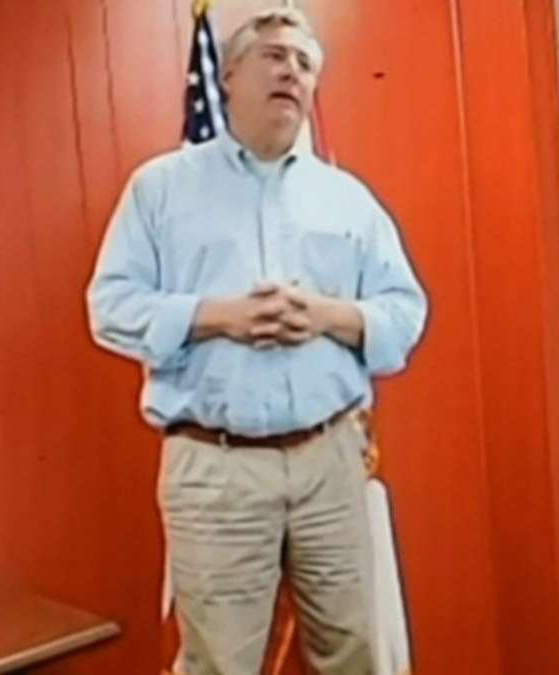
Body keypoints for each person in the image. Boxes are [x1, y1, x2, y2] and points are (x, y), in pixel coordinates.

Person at [86, 7, 427, 674]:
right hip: (217, 468)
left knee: (354, 653)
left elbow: (405, 312)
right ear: (230, 75)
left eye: (304, 64)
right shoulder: (161, 189)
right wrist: (218, 316)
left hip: (331, 460)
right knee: (219, 664)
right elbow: (109, 306)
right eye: (274, 56)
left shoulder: (348, 199)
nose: (291, 73)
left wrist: (329, 315)